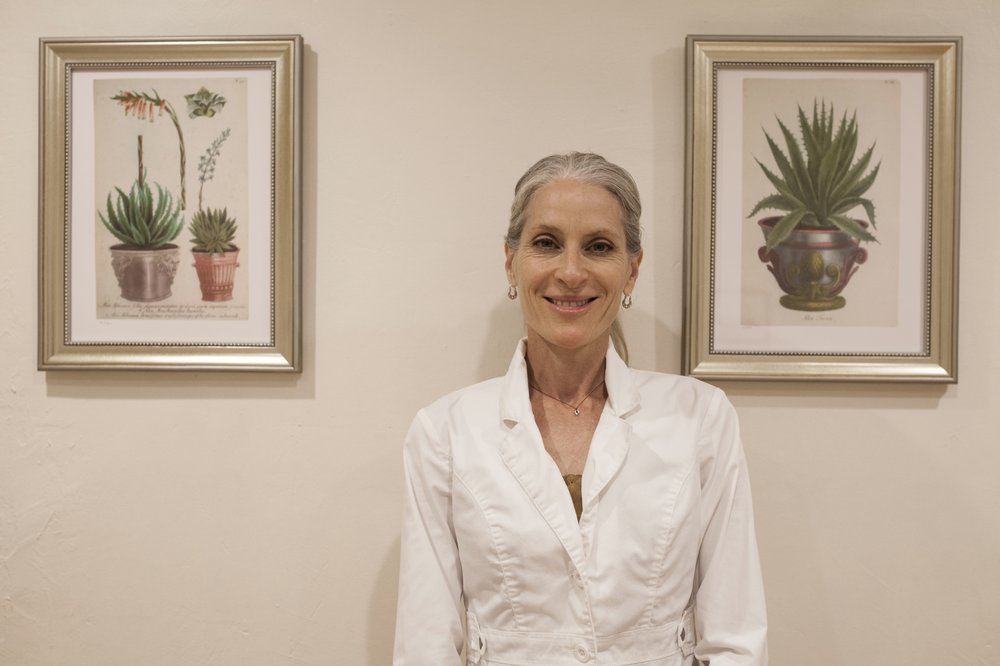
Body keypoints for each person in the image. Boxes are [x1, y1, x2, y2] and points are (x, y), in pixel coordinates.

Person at [394, 152, 767, 665]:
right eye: (547, 243)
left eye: (599, 247)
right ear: (511, 261)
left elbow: (736, 640)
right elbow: (424, 646)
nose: (571, 272)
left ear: (631, 271)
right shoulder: (445, 433)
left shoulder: (700, 418)